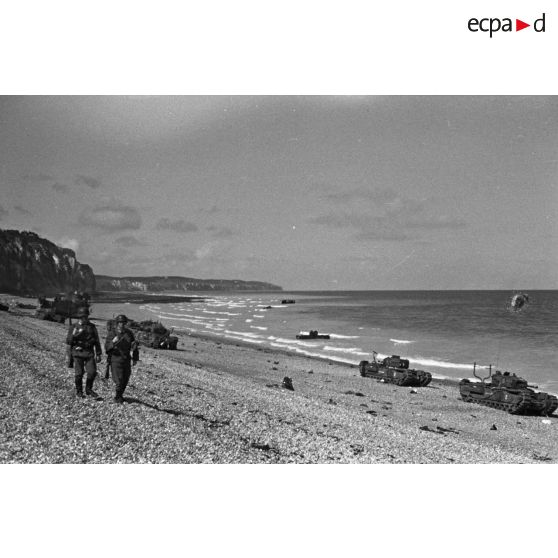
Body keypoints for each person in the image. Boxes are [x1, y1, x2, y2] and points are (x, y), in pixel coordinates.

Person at [66, 307, 102, 398]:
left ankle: (88, 389)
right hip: (78, 353)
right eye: (82, 317)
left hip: (89, 352)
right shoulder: (74, 327)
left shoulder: (92, 327)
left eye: (85, 316)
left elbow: (97, 341)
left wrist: (98, 353)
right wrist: (74, 335)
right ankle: (79, 391)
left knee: (92, 372)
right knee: (79, 373)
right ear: (79, 317)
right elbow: (68, 341)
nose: (84, 318)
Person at [105, 314, 139, 404]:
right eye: (120, 322)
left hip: (126, 359)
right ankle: (117, 397)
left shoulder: (129, 333)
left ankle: (120, 395)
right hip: (116, 358)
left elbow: (134, 346)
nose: (122, 324)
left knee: (125, 378)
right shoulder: (112, 333)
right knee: (119, 380)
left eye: (124, 322)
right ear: (117, 323)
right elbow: (107, 347)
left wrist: (135, 358)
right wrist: (113, 342)